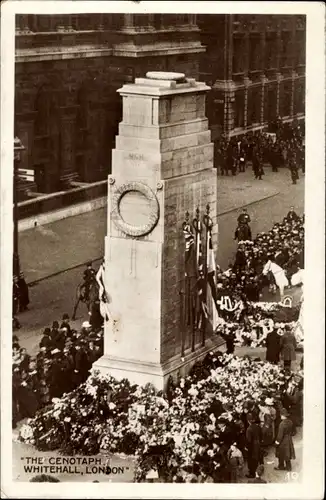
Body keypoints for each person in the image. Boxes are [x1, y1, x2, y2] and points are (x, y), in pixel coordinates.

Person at [245, 413, 262, 478]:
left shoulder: (249, 429)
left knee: (251, 459)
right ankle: (257, 470)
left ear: (248, 420)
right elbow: (261, 436)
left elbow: (248, 440)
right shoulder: (258, 426)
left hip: (252, 446)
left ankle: (252, 473)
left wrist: (247, 447)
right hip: (258, 444)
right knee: (256, 457)